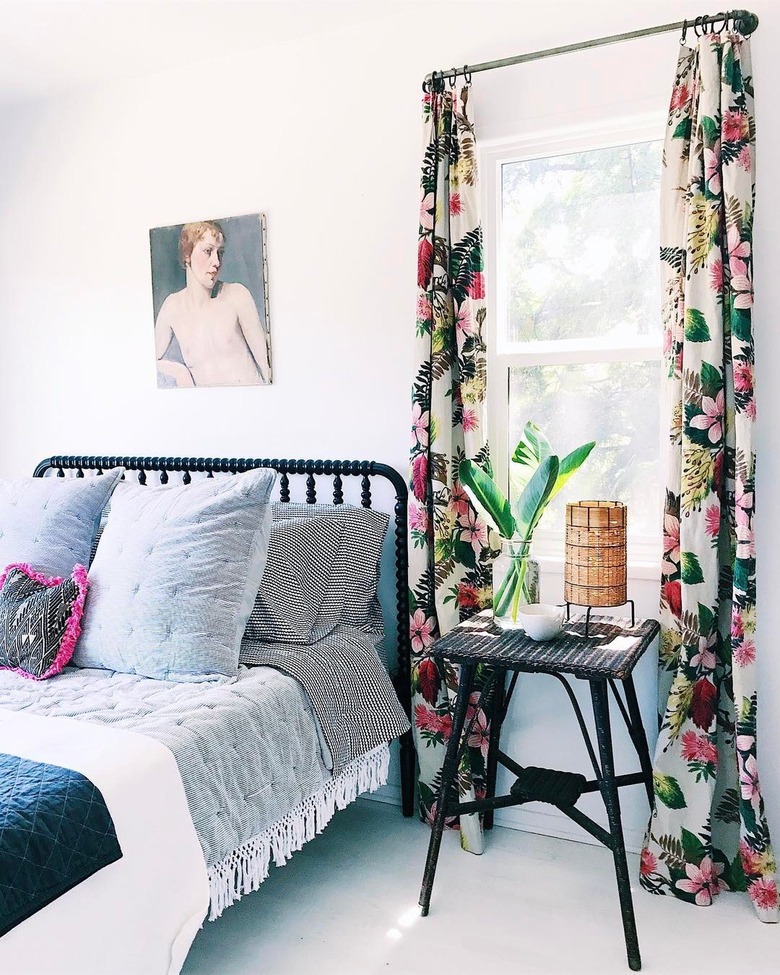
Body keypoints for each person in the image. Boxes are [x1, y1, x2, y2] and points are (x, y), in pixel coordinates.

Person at [155, 220, 270, 387]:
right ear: (188, 255)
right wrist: (180, 372)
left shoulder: (237, 296)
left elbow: (267, 367)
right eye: (208, 251)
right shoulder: (172, 308)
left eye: (220, 253)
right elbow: (147, 361)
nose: (216, 261)